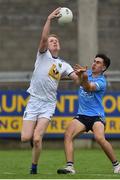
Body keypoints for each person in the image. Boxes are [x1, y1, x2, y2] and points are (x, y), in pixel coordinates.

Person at [21, 7, 83, 174]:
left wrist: (80, 75)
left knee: (37, 138)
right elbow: (43, 37)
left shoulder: (64, 65)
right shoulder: (42, 55)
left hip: (48, 104)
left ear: (59, 45)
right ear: (46, 46)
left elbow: (76, 80)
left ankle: (33, 168)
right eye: (51, 41)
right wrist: (49, 19)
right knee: (25, 138)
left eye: (56, 41)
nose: (53, 42)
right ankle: (34, 140)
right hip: (34, 100)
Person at [57, 54, 120, 175]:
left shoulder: (102, 82)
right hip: (82, 116)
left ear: (103, 68)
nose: (94, 63)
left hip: (96, 116)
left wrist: (83, 77)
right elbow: (74, 78)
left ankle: (117, 164)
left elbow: (88, 87)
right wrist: (54, 77)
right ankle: (70, 167)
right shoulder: (86, 72)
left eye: (98, 62)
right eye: (94, 61)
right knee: (67, 135)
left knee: (99, 138)